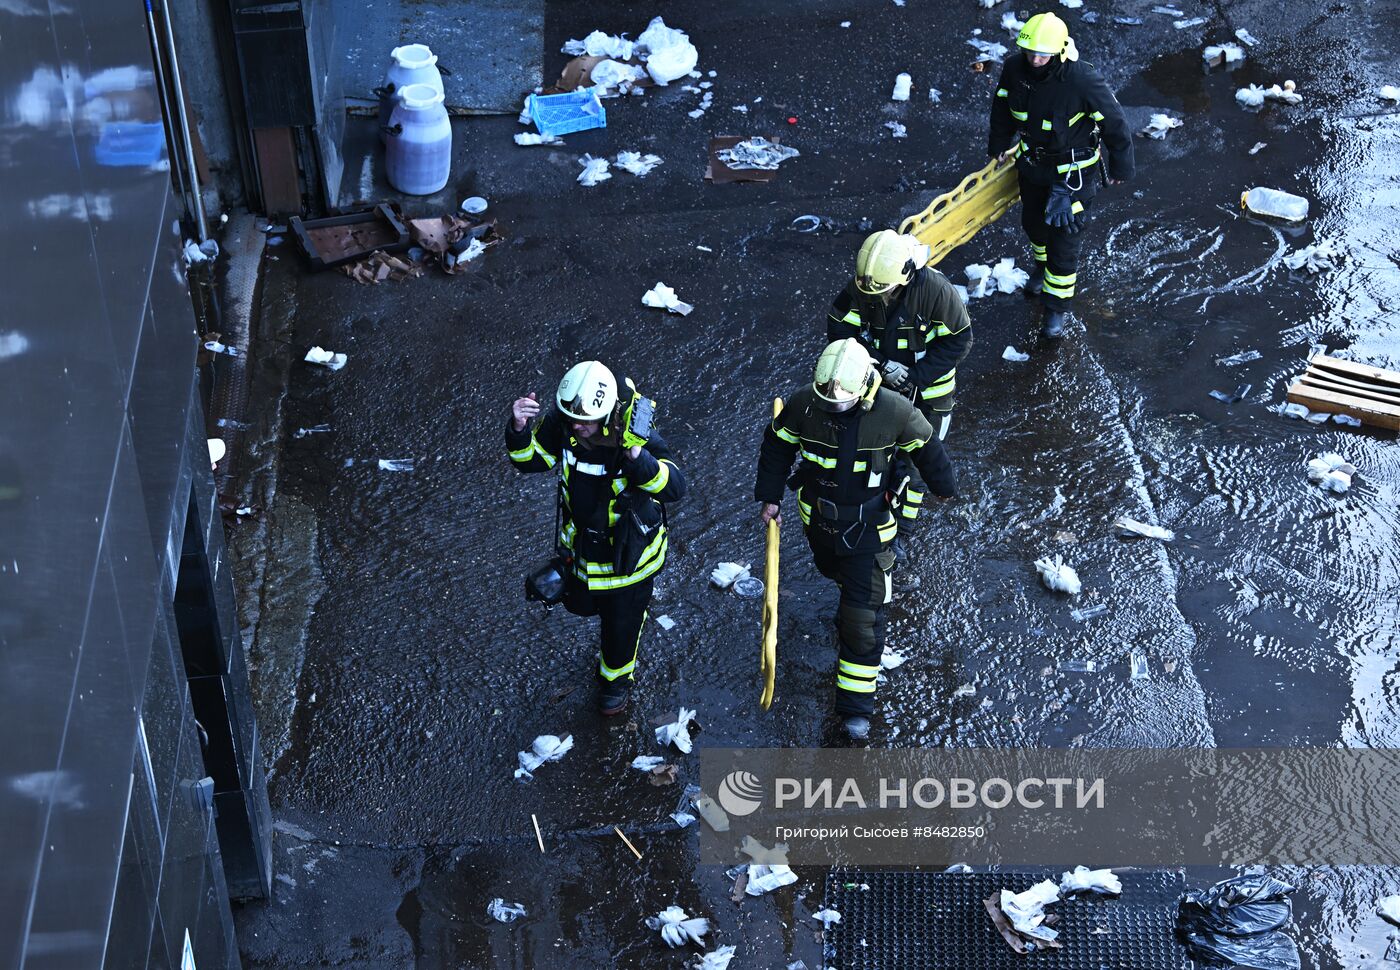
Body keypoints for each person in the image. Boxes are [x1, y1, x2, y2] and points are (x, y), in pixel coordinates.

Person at [754, 338, 956, 739]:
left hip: (870, 532)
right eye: (828, 401)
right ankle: (848, 599)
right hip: (820, 526)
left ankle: (855, 707)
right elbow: (777, 446)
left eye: (844, 402)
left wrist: (943, 486)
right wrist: (770, 496)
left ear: (864, 387)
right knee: (837, 578)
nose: (835, 407)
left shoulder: (895, 412)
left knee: (862, 619)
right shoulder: (803, 406)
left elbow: (928, 449)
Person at [507, 360, 686, 716]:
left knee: (621, 628)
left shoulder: (636, 433)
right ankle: (626, 623)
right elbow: (531, 460)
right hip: (583, 549)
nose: (576, 427)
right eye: (571, 419)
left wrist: (639, 461)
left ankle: (615, 684)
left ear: (606, 414)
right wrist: (518, 428)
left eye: (584, 422)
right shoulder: (566, 419)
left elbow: (675, 486)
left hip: (629, 559)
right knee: (583, 605)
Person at [827, 229, 971, 585]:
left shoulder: (935, 291)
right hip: (878, 388)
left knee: (917, 466)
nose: (878, 296)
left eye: (886, 290)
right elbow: (839, 330)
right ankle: (872, 519)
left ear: (904, 277)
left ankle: (902, 530)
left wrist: (916, 376)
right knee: (877, 457)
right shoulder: (865, 285)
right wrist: (877, 364)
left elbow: (959, 341)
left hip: (930, 395)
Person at [987, 11, 1134, 339]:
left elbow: (1115, 122)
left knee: (1064, 242)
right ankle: (1040, 268)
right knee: (1034, 225)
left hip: (1072, 178)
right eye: (1031, 52)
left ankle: (1055, 311)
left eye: (1043, 54)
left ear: (1060, 51)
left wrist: (1121, 166)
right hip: (1033, 168)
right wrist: (998, 143)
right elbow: (1001, 107)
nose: (1036, 59)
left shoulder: (1081, 80)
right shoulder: (1014, 69)